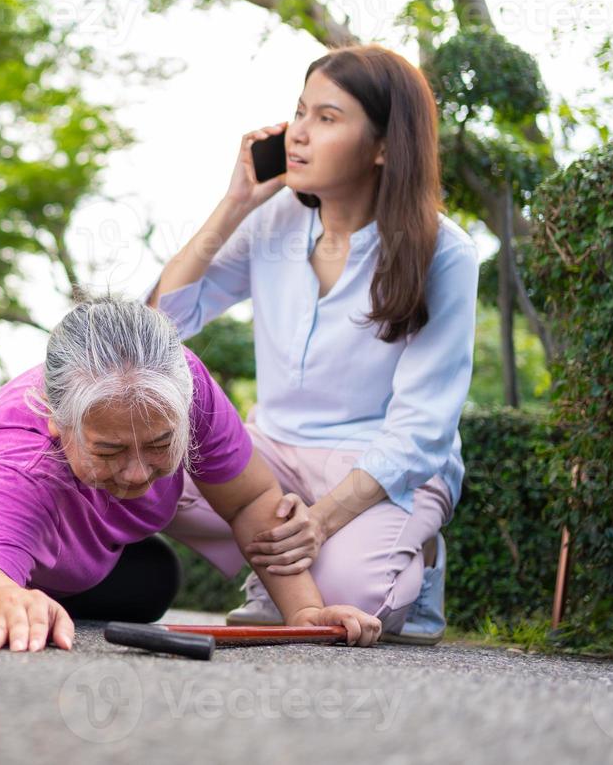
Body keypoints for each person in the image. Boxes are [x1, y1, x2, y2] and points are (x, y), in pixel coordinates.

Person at [149, 44, 479, 644]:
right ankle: (284, 574)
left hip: (375, 465)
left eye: (327, 119)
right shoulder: (271, 222)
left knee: (357, 603)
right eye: (298, 112)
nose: (298, 134)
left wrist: (321, 523)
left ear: (383, 146)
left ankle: (422, 562)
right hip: (270, 454)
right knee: (144, 475)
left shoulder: (445, 253)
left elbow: (423, 428)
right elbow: (166, 319)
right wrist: (234, 205)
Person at [0, 295, 383, 652]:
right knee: (26, 591)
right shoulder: (16, 459)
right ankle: (28, 576)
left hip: (20, 484)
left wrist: (304, 612)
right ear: (55, 420)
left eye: (160, 445)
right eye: (110, 450)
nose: (138, 475)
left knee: (153, 582)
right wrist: (6, 601)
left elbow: (249, 501)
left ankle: (45, 565)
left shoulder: (184, 385)